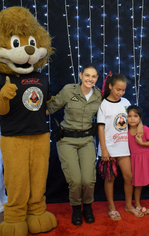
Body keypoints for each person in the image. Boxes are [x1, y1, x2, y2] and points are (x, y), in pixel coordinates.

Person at [46, 64, 102, 225]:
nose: (90, 79)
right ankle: (76, 209)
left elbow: (108, 114)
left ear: (97, 78)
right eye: (87, 75)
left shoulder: (99, 95)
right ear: (80, 75)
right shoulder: (69, 90)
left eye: (93, 76)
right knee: (75, 180)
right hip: (67, 140)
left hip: (86, 140)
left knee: (89, 180)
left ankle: (88, 207)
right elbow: (51, 107)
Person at [97, 73, 144, 221]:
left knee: (129, 177)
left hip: (124, 147)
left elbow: (135, 117)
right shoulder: (103, 105)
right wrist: (104, 149)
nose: (120, 93)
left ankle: (128, 205)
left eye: (123, 90)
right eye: (118, 89)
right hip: (109, 148)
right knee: (110, 178)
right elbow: (100, 128)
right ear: (110, 86)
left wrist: (141, 125)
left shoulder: (125, 101)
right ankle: (111, 207)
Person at [127, 105, 149, 217]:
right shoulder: (125, 132)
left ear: (140, 118)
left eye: (135, 116)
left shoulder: (144, 129)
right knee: (137, 184)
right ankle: (137, 205)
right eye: (129, 116)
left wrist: (141, 143)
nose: (132, 119)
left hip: (147, 158)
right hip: (135, 160)